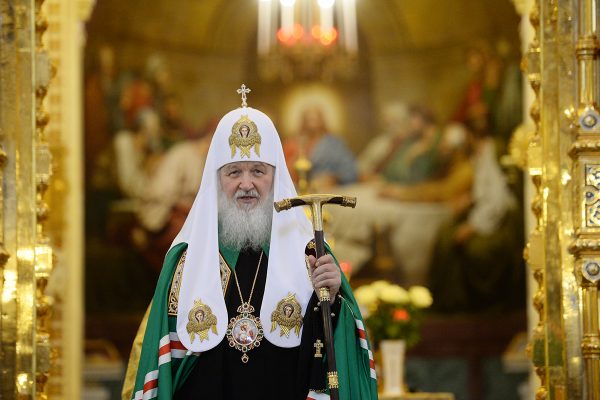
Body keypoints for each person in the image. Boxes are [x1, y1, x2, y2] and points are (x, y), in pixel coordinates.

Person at [124, 94, 377, 400]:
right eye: (234, 172)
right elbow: (162, 366)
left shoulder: (309, 252)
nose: (246, 184)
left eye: (258, 171)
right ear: (217, 179)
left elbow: (334, 354)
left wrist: (333, 297)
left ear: (276, 176)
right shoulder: (186, 260)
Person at [284, 106, 358, 188]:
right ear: (303, 122)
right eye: (309, 120)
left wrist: (334, 178)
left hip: (335, 189)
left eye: (315, 119)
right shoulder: (293, 144)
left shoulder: (334, 143)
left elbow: (350, 169)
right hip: (306, 190)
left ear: (322, 120)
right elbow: (284, 174)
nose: (312, 123)